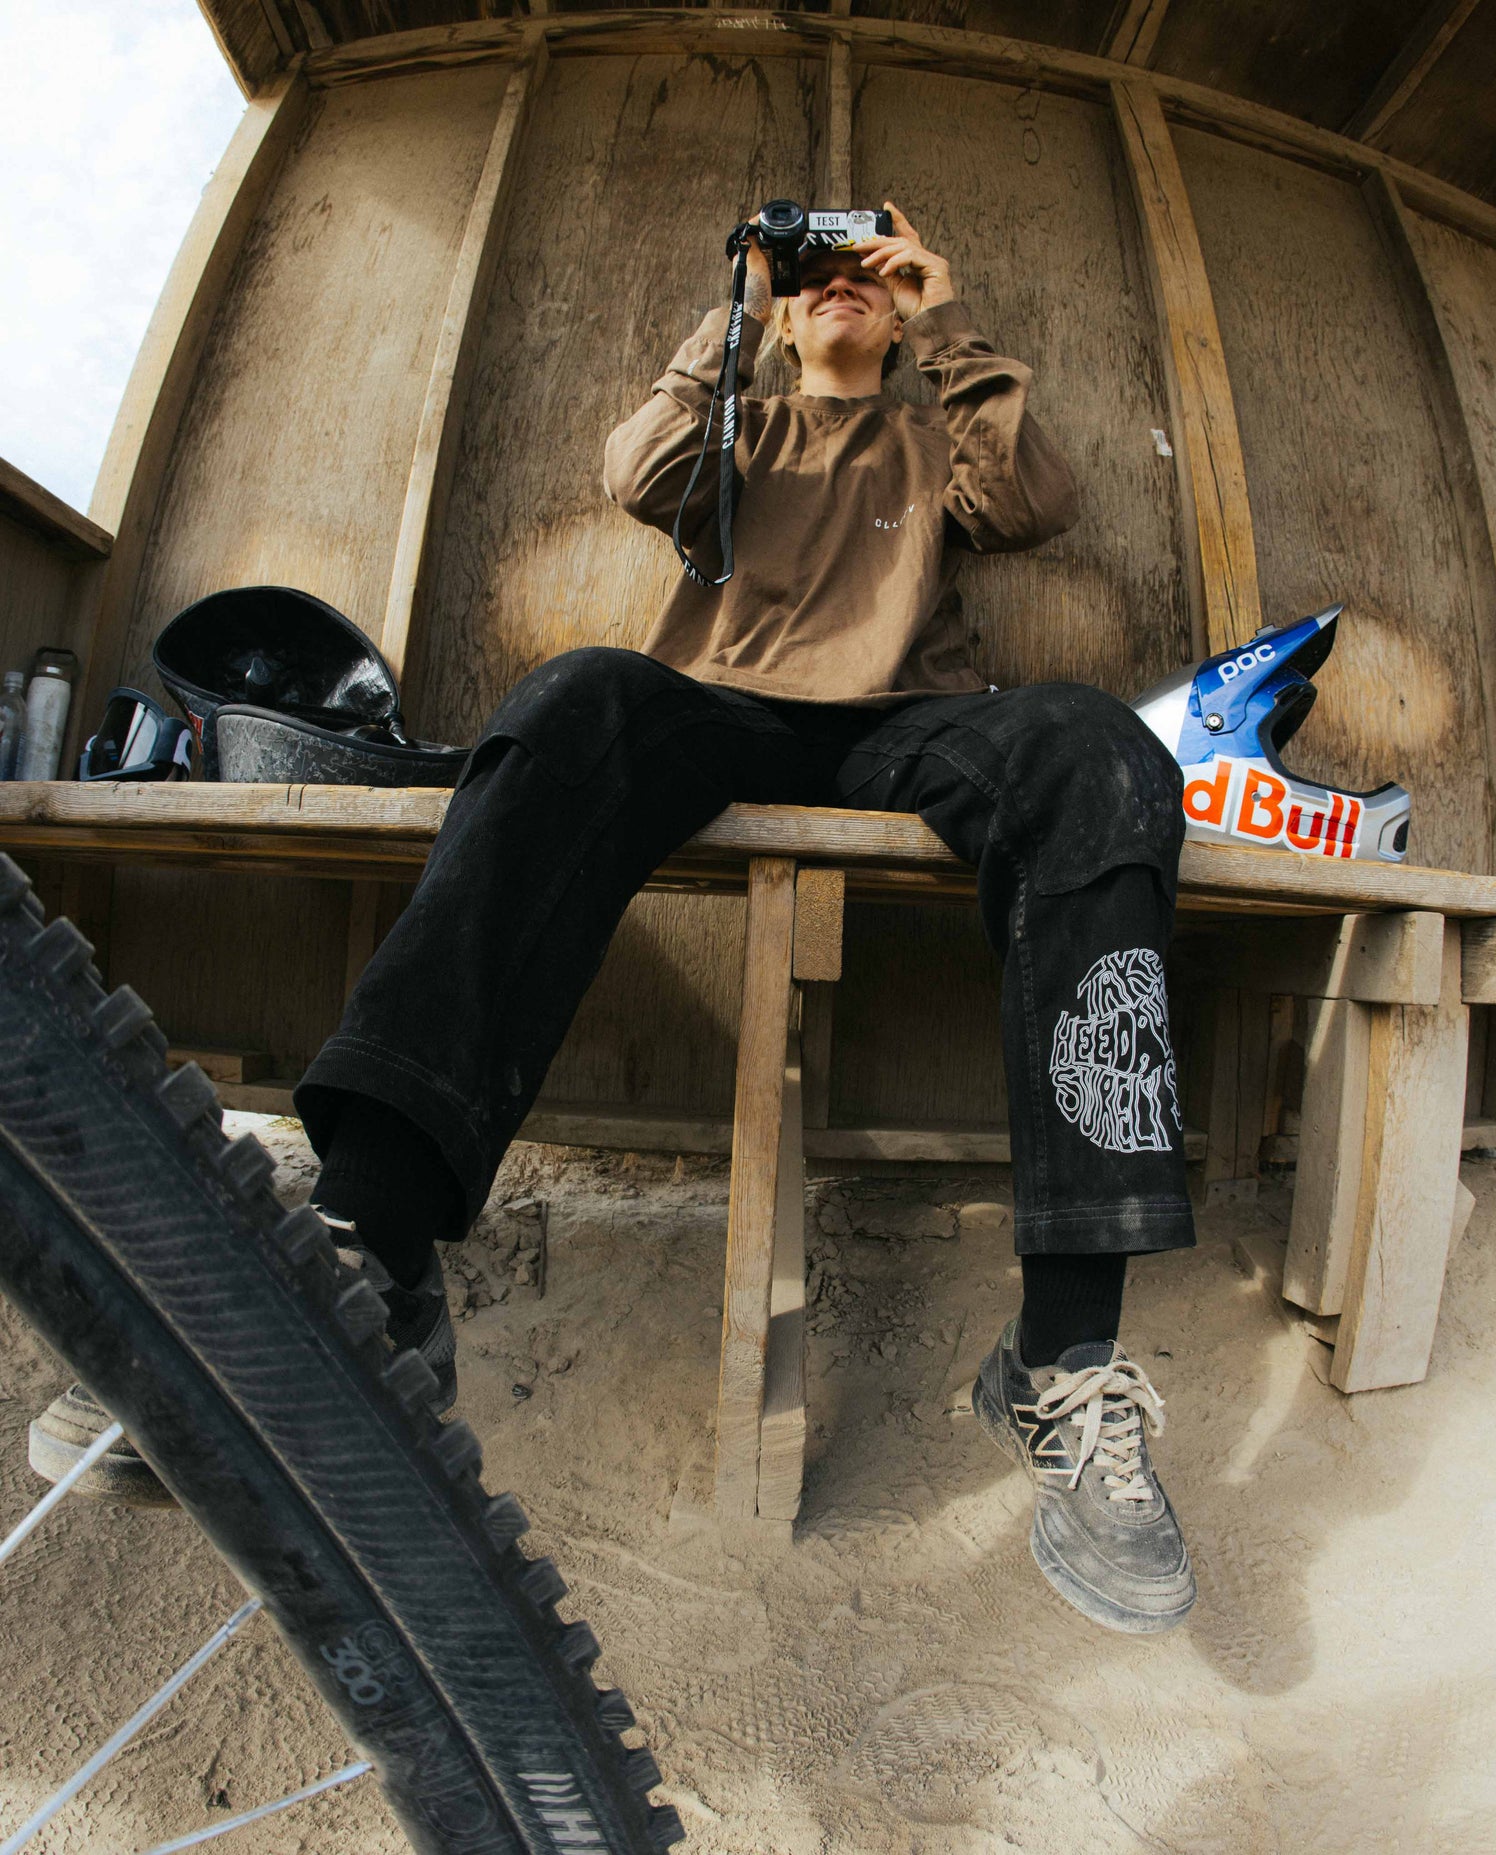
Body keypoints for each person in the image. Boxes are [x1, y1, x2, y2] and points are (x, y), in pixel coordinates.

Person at [45, 204, 1197, 1633]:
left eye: (870, 277)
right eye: (816, 275)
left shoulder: (929, 439)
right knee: (571, 697)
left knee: (1100, 753)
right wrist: (737, 309)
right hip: (710, 709)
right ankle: (372, 1246)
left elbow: (1030, 499)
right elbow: (635, 468)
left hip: (915, 723)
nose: (845, 287)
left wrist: (942, 310)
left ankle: (1064, 1354)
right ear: (780, 310)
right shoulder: (743, 431)